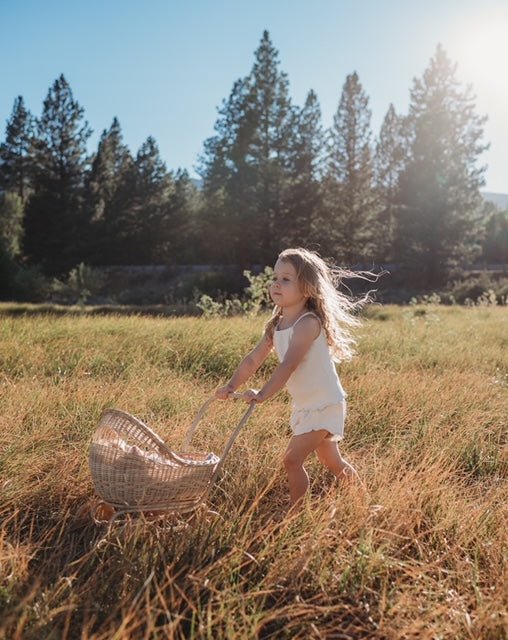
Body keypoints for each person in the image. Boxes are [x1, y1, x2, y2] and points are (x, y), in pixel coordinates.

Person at [215, 247, 373, 509]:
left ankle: (295, 514)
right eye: (275, 277)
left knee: (292, 460)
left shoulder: (307, 323)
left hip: (324, 403)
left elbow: (288, 365)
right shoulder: (275, 325)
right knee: (332, 462)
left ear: (307, 288)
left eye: (286, 279)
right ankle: (364, 504)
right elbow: (253, 360)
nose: (277, 283)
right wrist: (232, 385)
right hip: (307, 405)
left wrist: (263, 394)